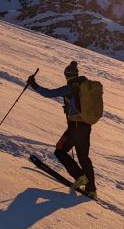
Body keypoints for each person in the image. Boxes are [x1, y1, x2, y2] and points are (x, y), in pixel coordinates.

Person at [27, 61, 97, 198]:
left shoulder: (71, 87)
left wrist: (33, 84)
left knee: (60, 151)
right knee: (83, 157)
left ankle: (80, 177)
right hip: (86, 126)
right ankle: (91, 188)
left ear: (67, 76)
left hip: (74, 127)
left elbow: (49, 93)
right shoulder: (85, 87)